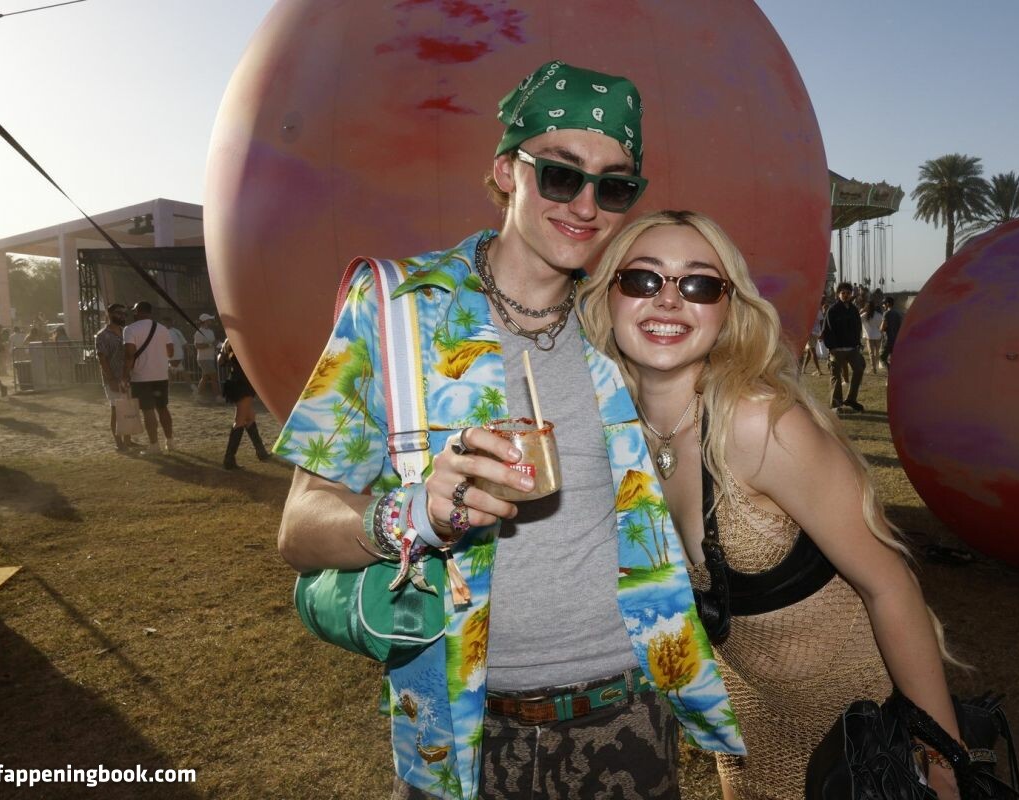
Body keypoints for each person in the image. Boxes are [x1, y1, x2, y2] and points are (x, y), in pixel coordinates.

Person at [274, 61, 744, 800]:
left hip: (627, 722)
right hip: (458, 736)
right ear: (505, 171)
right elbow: (298, 530)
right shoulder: (398, 307)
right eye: (560, 175)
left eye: (613, 186)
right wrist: (416, 512)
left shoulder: (625, 321)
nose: (586, 206)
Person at [578, 210, 963, 800]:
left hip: (860, 729)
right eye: (643, 279)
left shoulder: (759, 425)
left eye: (699, 284)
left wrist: (940, 756)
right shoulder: (613, 432)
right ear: (608, 295)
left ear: (729, 309)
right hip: (749, 731)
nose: (669, 300)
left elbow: (890, 585)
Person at [122, 301, 175, 455]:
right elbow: (171, 352)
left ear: (137, 311)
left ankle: (154, 445)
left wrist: (125, 375)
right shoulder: (163, 328)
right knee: (163, 407)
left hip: (141, 375)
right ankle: (170, 441)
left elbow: (129, 354)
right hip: (161, 374)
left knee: (148, 410)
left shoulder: (130, 329)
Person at [217, 337, 271, 469]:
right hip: (243, 383)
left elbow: (220, 361)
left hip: (237, 381)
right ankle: (229, 459)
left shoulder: (229, 340)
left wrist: (223, 350)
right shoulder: (241, 340)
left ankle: (261, 452)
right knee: (240, 420)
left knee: (250, 417)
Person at [822, 281, 865, 412]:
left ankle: (851, 399)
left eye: (848, 293)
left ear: (851, 294)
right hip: (837, 349)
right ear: (838, 294)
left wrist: (858, 343)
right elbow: (827, 330)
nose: (846, 295)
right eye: (843, 293)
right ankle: (836, 404)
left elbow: (858, 327)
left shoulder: (853, 310)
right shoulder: (832, 310)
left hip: (852, 348)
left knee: (859, 368)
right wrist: (832, 348)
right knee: (836, 375)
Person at [95, 303, 133, 450]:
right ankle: (119, 442)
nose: (122, 316)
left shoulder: (126, 332)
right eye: (119, 313)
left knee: (128, 408)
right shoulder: (102, 335)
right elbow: (102, 359)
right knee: (116, 410)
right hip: (113, 378)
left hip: (127, 377)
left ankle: (128, 440)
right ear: (109, 314)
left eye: (124, 313)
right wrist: (111, 379)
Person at [192, 313, 220, 401]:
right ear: (205, 321)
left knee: (205, 378)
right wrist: (211, 344)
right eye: (209, 319)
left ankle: (197, 395)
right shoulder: (198, 332)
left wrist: (217, 345)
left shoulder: (211, 331)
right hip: (204, 359)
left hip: (210, 358)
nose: (211, 321)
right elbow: (197, 346)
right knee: (214, 377)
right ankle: (218, 397)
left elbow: (213, 343)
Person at [800, 297, 828, 376]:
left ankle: (818, 370)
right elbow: (821, 322)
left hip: (811, 333)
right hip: (815, 333)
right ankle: (803, 369)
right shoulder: (818, 311)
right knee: (810, 352)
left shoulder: (809, 311)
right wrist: (821, 333)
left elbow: (805, 323)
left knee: (812, 352)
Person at [163, 316, 189, 384]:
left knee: (171, 373)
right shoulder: (162, 332)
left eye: (169, 322)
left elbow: (184, 342)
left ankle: (193, 387)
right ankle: (193, 388)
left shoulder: (177, 331)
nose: (168, 324)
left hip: (177, 356)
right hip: (169, 357)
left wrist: (189, 350)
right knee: (179, 372)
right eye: (166, 322)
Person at [860, 299, 884, 374]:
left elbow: (856, 318)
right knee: (877, 352)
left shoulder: (865, 315)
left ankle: (873, 368)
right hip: (878, 335)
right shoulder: (878, 315)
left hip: (869, 336)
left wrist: (861, 310)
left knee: (871, 353)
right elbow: (882, 324)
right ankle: (876, 366)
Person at [880, 296, 903, 370]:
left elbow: (882, 327)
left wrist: (880, 329)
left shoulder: (886, 313)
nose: (883, 305)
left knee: (882, 358)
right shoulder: (898, 313)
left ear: (887, 304)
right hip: (896, 339)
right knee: (893, 359)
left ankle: (890, 371)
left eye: (884, 304)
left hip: (887, 340)